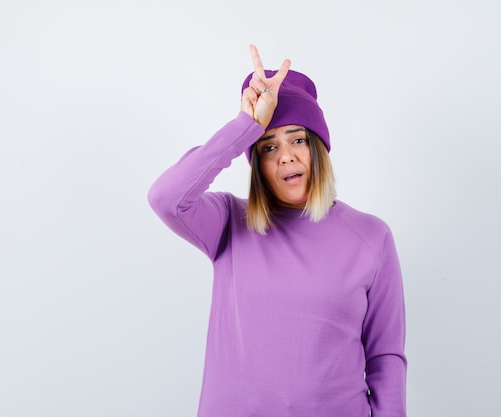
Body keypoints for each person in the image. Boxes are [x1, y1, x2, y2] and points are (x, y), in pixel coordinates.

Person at [147, 45, 406, 417]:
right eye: (268, 147)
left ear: (318, 149)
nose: (286, 156)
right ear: (258, 162)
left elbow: (385, 358)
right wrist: (245, 127)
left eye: (298, 140)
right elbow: (166, 198)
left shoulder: (371, 237)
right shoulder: (229, 222)